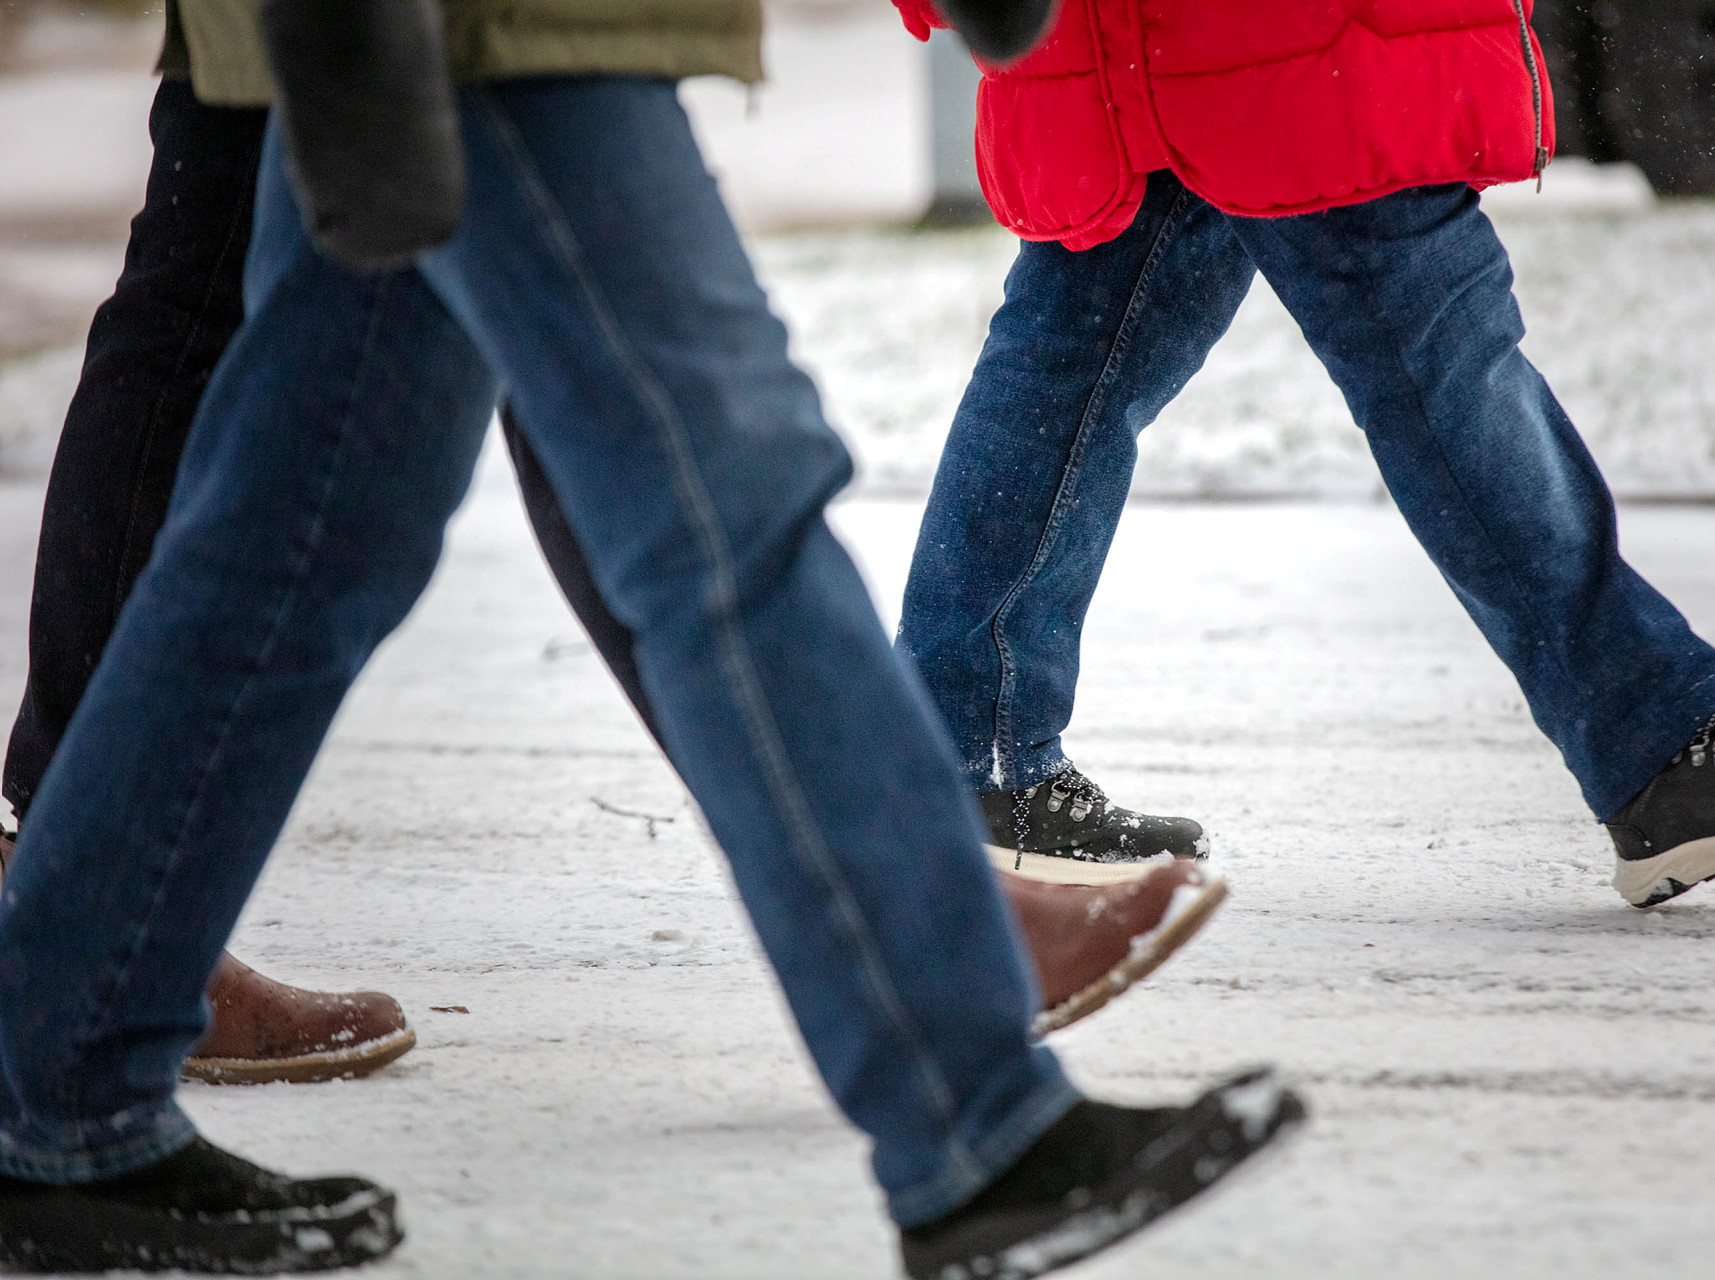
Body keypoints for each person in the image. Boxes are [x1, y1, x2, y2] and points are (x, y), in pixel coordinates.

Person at [0, 1, 1303, 1275]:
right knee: (724, 504)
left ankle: (59, 1076)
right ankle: (975, 1115)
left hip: (437, 38)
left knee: (301, 536)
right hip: (485, 32)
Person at [888, 0, 1715, 905]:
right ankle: (1661, 747)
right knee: (1437, 355)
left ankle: (965, 761)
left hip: (1159, 46)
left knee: (1069, 367)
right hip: (1278, 41)